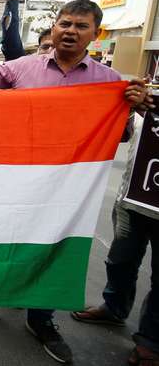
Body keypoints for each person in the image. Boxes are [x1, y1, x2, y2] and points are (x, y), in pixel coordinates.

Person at [0, 0, 151, 364]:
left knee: (55, 247)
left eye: (81, 26)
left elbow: (121, 136)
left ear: (95, 35)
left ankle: (41, 318)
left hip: (68, 188)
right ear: (55, 26)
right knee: (4, 240)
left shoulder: (108, 82)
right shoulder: (23, 68)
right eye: (66, 23)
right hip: (16, 177)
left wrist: (132, 106)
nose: (71, 31)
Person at [70, 110, 158, 365]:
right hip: (132, 200)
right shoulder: (148, 95)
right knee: (120, 260)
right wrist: (129, 106)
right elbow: (122, 133)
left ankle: (151, 341)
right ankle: (114, 307)